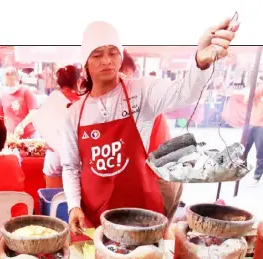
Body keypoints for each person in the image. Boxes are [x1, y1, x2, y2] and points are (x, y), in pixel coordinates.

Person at [62, 19, 239, 238]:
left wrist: (199, 63)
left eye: (113, 53)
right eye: (97, 55)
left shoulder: (143, 92)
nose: (106, 61)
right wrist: (73, 205)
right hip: (94, 212)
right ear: (86, 62)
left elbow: (184, 94)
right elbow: (70, 167)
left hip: (140, 212)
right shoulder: (74, 114)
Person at [120, 49, 184, 221]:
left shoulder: (132, 96)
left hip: (157, 179)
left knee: (149, 237)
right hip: (169, 172)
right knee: (158, 235)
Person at [0, 66, 39, 139]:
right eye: (7, 84)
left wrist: (22, 125)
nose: (9, 86)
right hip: (11, 137)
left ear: (18, 81)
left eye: (12, 84)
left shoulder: (26, 91)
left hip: (29, 136)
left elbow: (34, 112)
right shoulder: (1, 95)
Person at [246, 86, 263, 188]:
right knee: (243, 149)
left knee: (260, 154)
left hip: (261, 127)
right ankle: (240, 171)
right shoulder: (258, 90)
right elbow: (247, 99)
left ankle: (256, 177)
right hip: (251, 124)